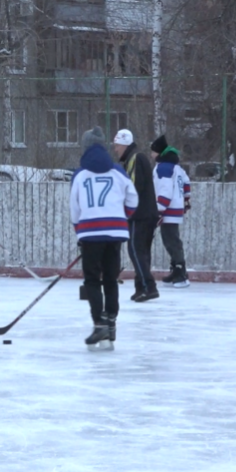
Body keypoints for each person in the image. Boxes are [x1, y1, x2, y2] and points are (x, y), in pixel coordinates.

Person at [71, 126, 139, 350]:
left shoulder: (80, 174)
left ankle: (98, 322)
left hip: (90, 232)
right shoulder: (118, 171)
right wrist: (121, 218)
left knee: (92, 279)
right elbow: (133, 200)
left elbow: (75, 208)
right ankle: (110, 322)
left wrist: (79, 228)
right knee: (110, 278)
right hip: (116, 232)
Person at [113, 129, 158, 302]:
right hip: (147, 213)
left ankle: (149, 287)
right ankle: (141, 287)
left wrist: (122, 206)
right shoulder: (135, 157)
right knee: (142, 251)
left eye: (117, 145)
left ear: (124, 144)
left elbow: (133, 187)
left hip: (140, 214)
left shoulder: (135, 158)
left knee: (135, 250)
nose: (116, 149)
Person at [150, 135, 191, 287]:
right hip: (176, 208)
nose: (151, 155)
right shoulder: (177, 167)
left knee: (171, 241)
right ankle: (176, 270)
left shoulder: (163, 167)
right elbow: (186, 183)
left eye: (153, 151)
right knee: (172, 240)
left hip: (168, 210)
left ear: (159, 152)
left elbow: (165, 190)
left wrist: (160, 209)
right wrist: (186, 201)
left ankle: (180, 272)